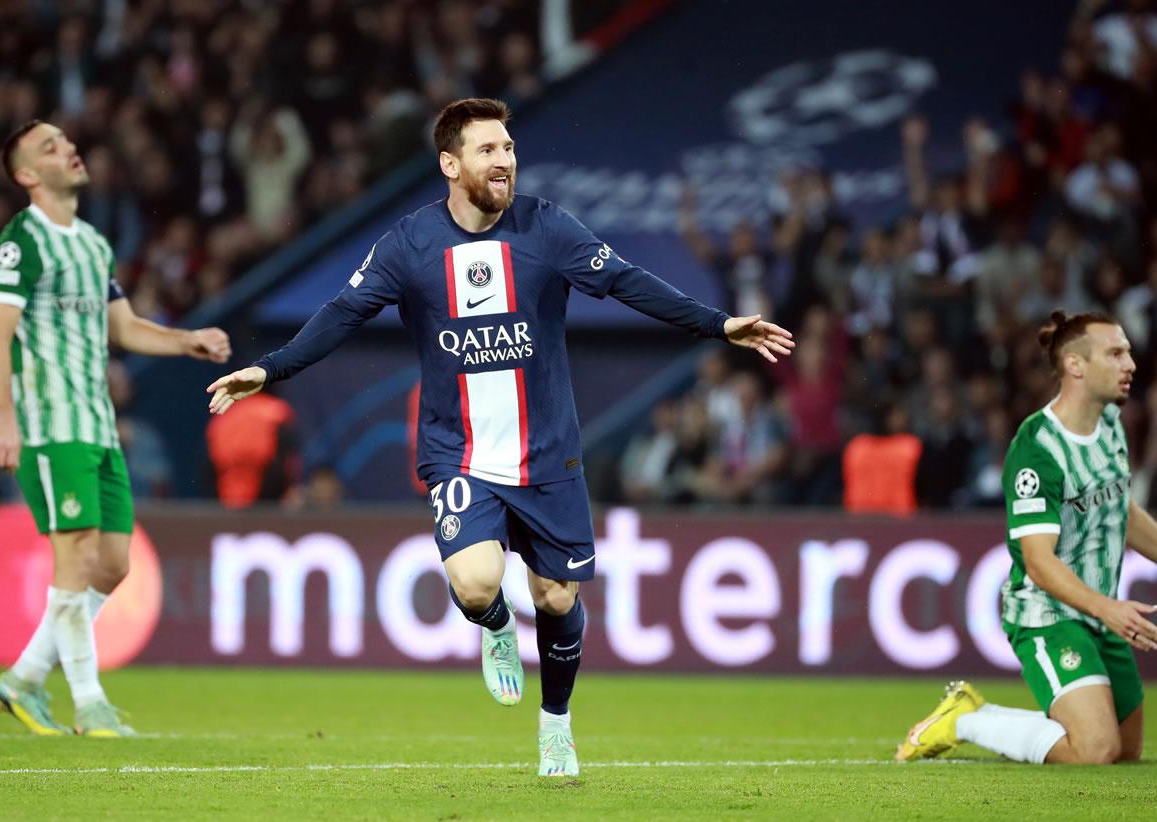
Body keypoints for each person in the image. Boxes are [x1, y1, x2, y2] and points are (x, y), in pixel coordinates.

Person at [206, 98, 794, 777]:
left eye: (509, 148)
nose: (505, 160)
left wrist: (718, 325)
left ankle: (556, 727)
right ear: (450, 164)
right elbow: (342, 313)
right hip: (460, 451)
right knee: (479, 581)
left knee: (558, 598)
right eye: (489, 150)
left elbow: (627, 282)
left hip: (547, 452)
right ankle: (492, 629)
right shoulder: (410, 243)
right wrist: (269, 368)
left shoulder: (547, 228)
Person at [0, 120, 232, 737]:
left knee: (113, 565)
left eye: (65, 141)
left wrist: (186, 340)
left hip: (98, 424)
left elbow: (122, 328)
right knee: (76, 556)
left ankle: (21, 681)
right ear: (26, 176)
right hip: (50, 424)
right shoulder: (21, 242)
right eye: (49, 147)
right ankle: (90, 705)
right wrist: (4, 418)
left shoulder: (93, 243)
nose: (67, 148)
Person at [896, 311, 1157, 765]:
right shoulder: (1036, 449)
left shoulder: (1112, 425)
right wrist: (1110, 610)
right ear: (1076, 366)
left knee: (1126, 750)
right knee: (1096, 750)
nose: (1130, 363)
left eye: (1129, 352)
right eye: (1116, 353)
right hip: (1049, 615)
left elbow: (1124, 511)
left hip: (1099, 612)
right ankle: (967, 718)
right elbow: (1039, 561)